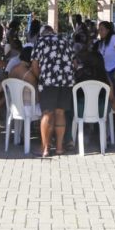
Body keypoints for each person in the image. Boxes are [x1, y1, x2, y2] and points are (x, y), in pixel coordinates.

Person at [31, 26, 74, 157]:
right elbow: (74, 62)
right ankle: (59, 148)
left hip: (49, 81)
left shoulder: (40, 41)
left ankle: (44, 149)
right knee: (60, 113)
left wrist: (41, 78)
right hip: (66, 82)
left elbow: (34, 65)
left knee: (47, 114)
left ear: (42, 33)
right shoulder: (66, 40)